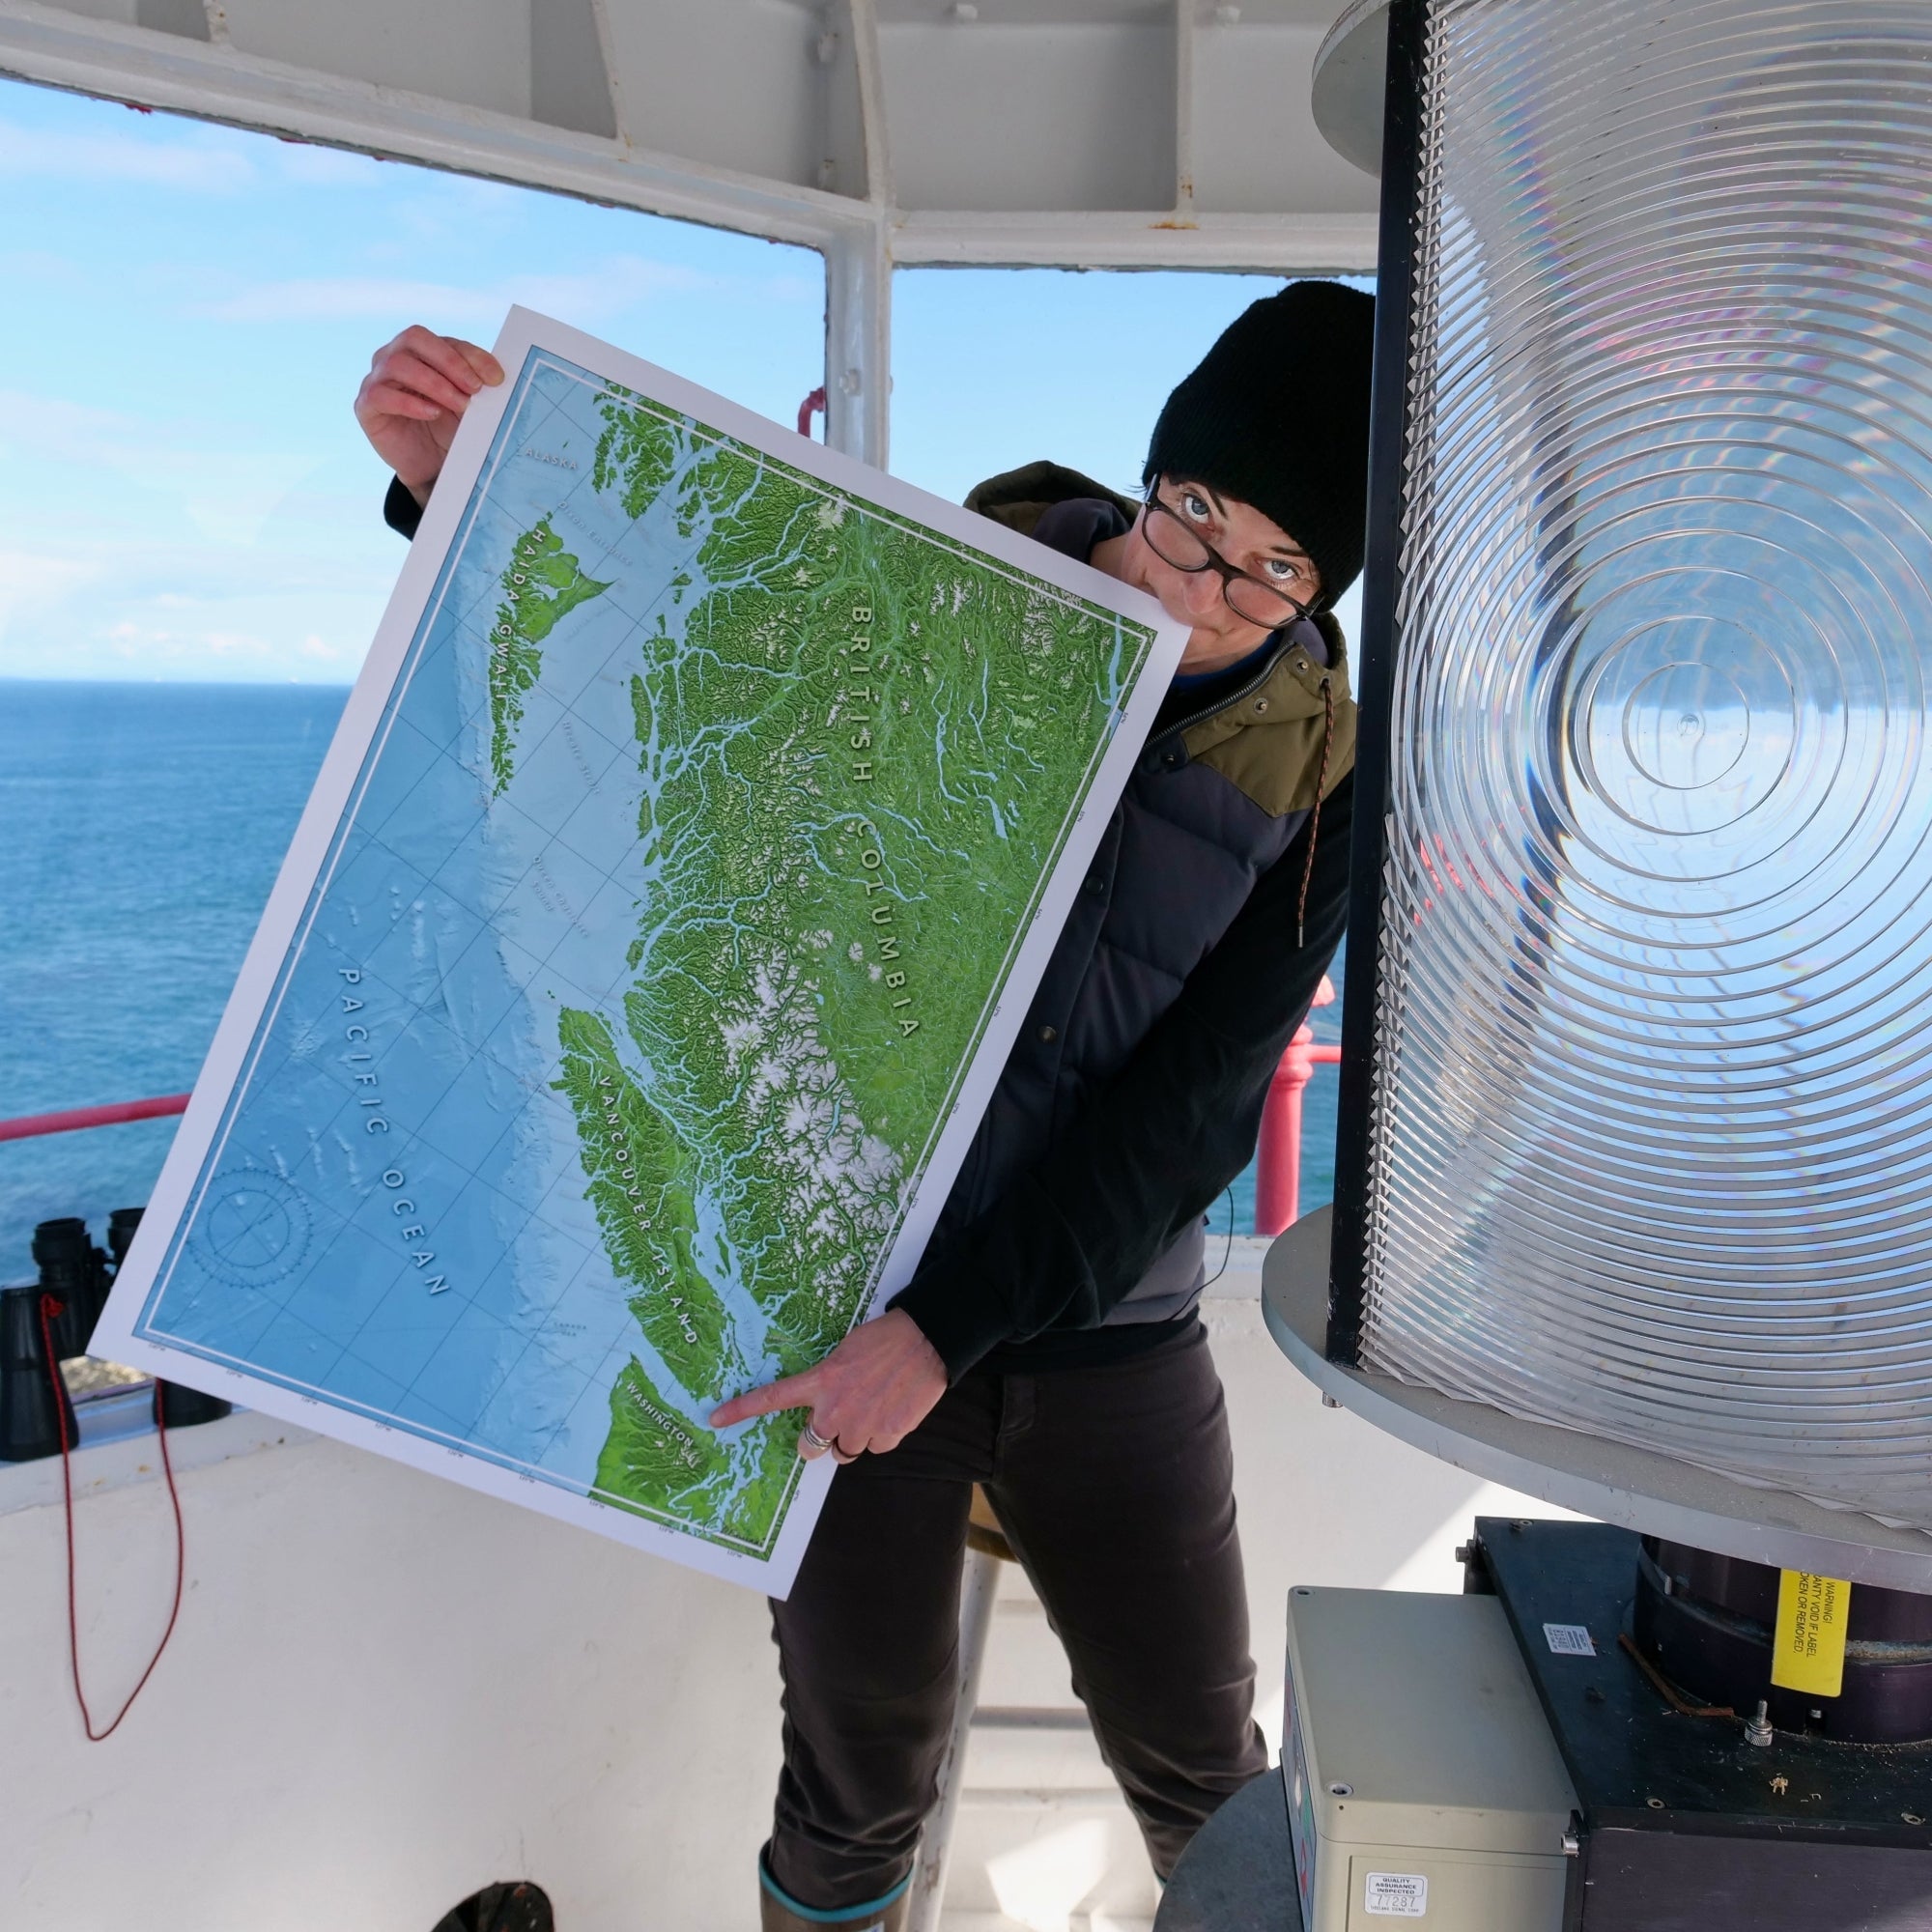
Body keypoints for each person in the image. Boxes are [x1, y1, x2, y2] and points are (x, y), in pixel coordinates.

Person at [355, 278, 1374, 1932]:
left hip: (1103, 1326)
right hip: (850, 1294)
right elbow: (643, 712)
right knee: (856, 1797)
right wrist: (448, 490)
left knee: (1211, 1775)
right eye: (1197, 521)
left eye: (1281, 568)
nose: (1217, 592)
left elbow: (1190, 1116)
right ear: (1153, 476)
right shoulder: (933, 589)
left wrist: (952, 1327)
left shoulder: (1327, 770)